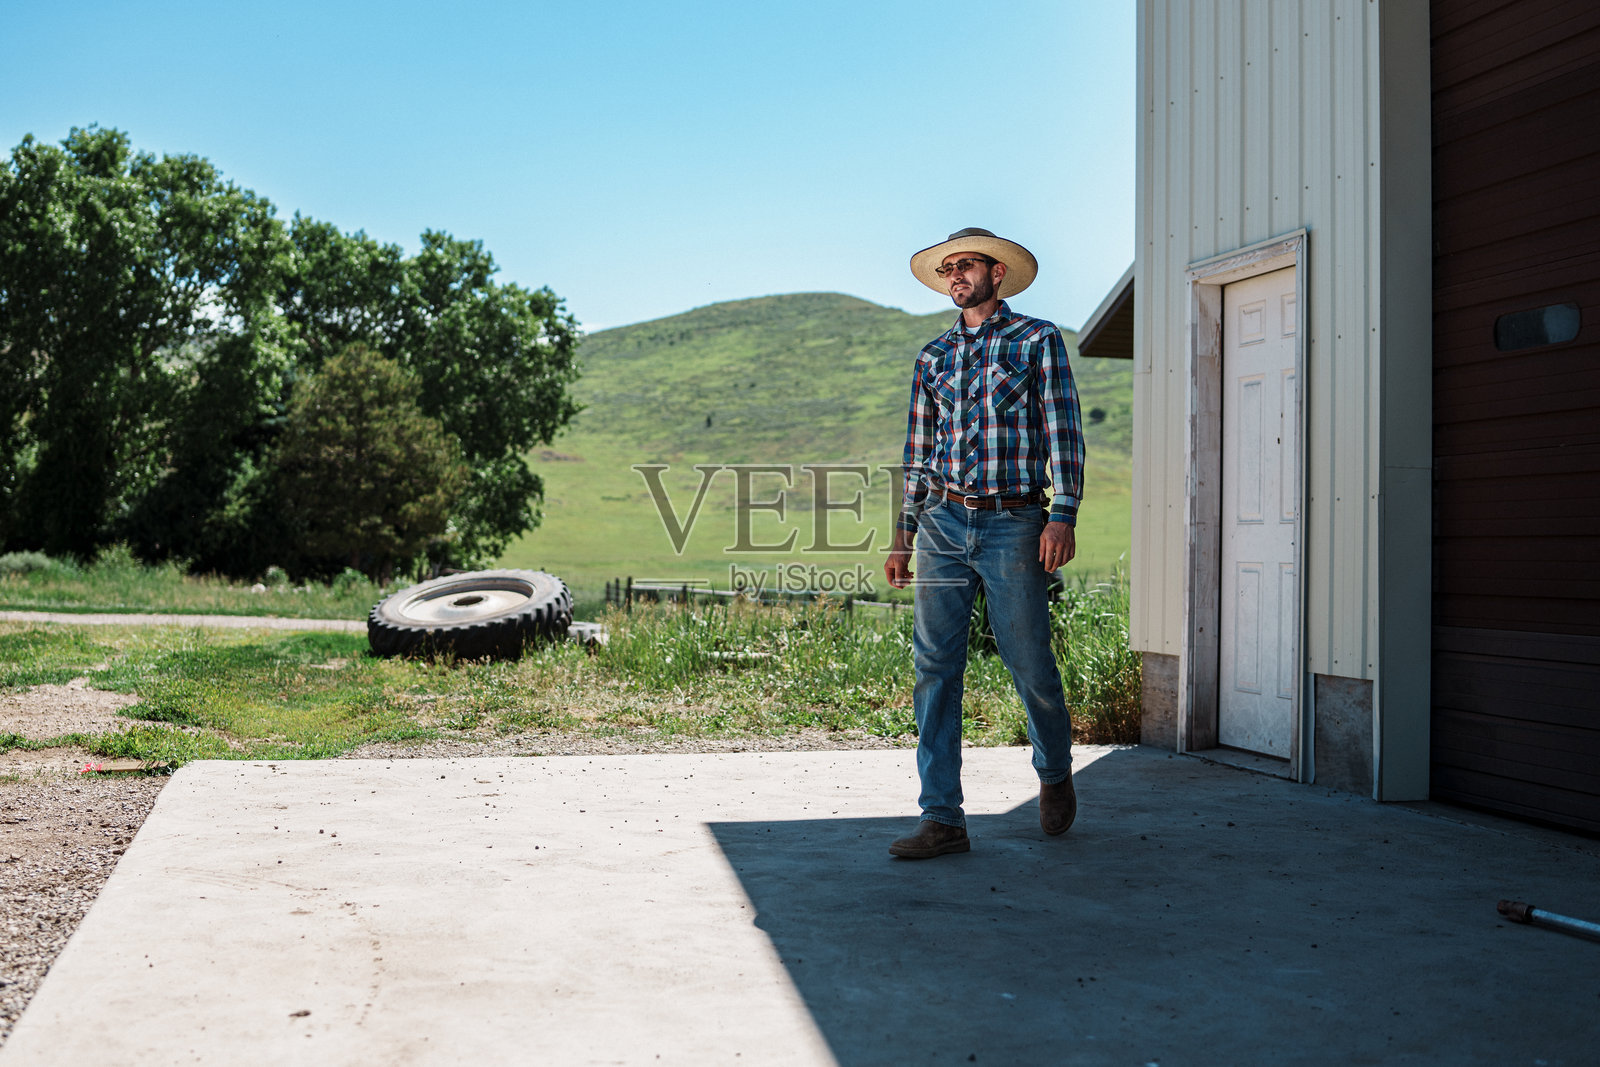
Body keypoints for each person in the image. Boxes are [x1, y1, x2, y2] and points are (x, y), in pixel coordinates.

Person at [884, 227, 1085, 859]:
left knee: (1029, 660)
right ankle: (942, 817)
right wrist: (903, 534)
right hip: (942, 522)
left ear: (996, 273)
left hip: (1015, 522)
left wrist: (1063, 515)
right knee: (934, 668)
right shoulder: (933, 357)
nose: (955, 276)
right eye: (947, 268)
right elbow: (919, 451)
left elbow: (1063, 430)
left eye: (965, 265)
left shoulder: (1037, 340)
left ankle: (1054, 770)